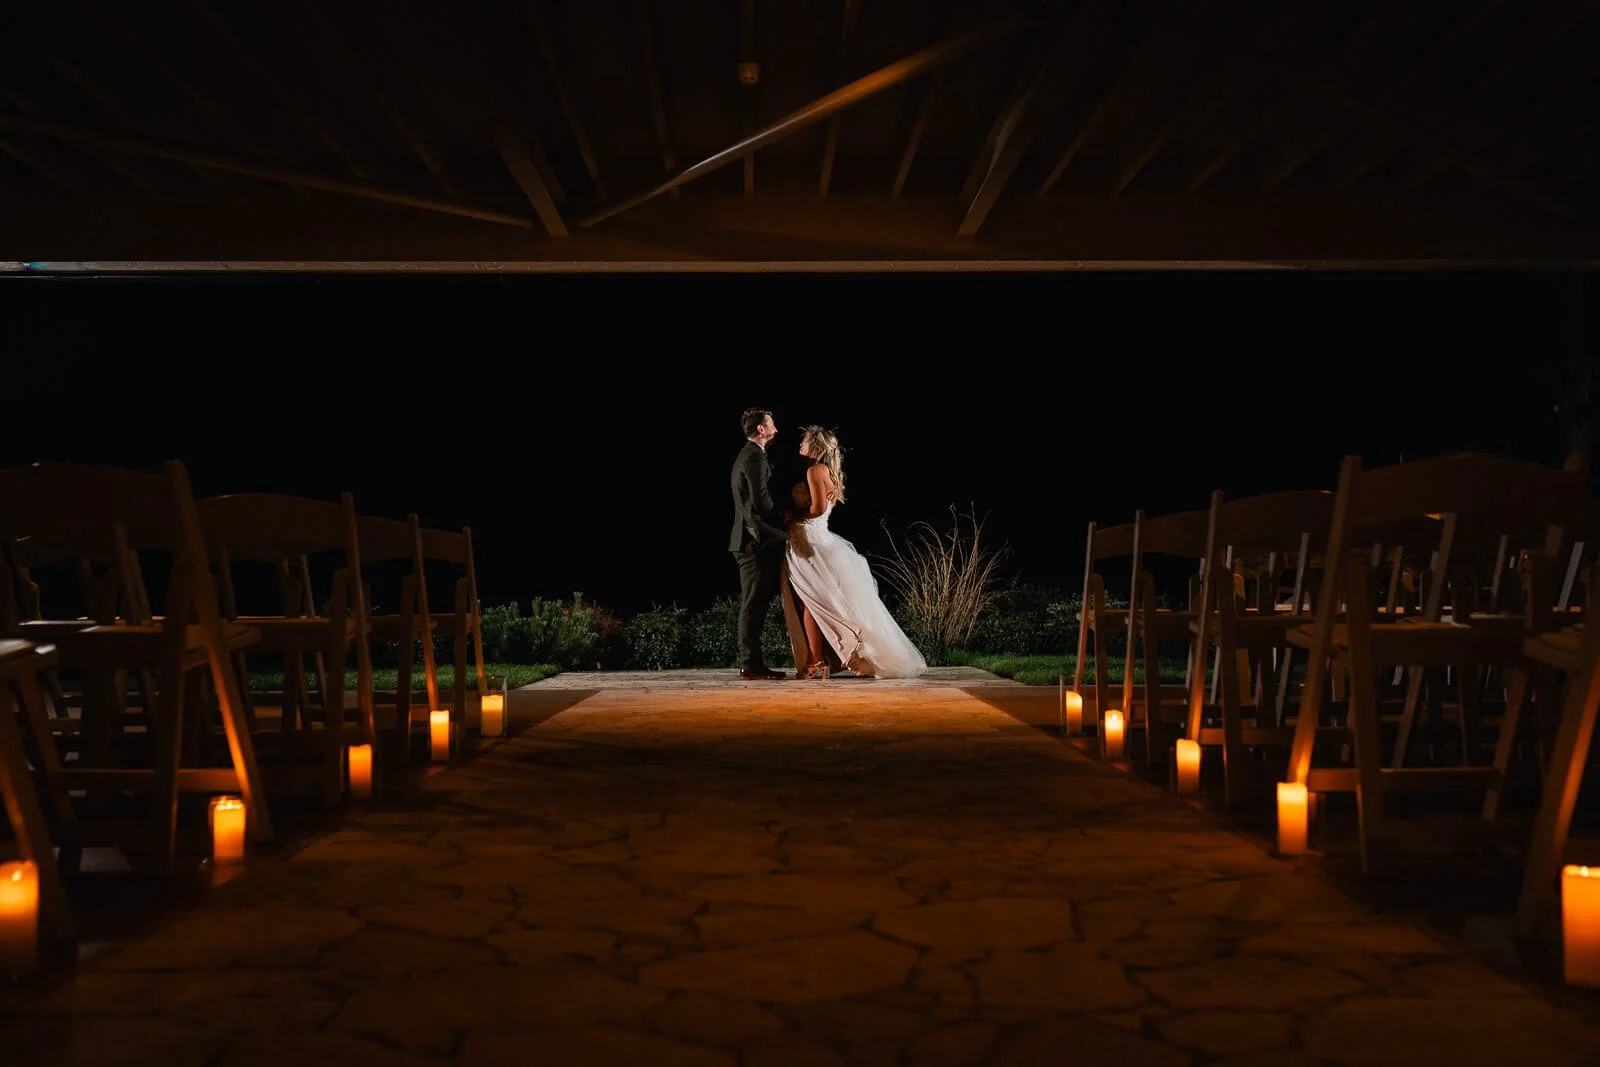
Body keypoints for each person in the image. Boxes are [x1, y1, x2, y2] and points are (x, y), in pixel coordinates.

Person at [780, 426, 927, 680]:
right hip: (813, 541)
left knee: (813, 601)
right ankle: (822, 657)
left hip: (809, 543)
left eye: (804, 441)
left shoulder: (815, 470)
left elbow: (816, 509)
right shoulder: (827, 471)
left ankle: (823, 657)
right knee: (816, 601)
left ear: (815, 447)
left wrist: (791, 515)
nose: (799, 445)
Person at [728, 407, 791, 680]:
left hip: (752, 540)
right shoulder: (754, 456)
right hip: (753, 542)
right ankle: (750, 664)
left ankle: (752, 663)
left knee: (757, 602)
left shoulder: (751, 455)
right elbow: (760, 500)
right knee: (753, 603)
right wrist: (782, 520)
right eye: (772, 423)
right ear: (761, 430)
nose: (776, 428)